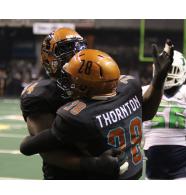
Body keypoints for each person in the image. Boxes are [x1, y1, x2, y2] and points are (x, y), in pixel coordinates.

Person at [20, 39, 174, 180]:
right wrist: (158, 81)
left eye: (72, 78)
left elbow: (28, 146)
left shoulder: (76, 115)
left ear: (85, 87)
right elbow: (146, 113)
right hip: (135, 169)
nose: (68, 81)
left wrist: (93, 164)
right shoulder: (129, 86)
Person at [20, 27, 127, 180]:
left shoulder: (96, 81)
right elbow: (48, 151)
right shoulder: (41, 96)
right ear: (49, 60)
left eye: (78, 49)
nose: (75, 55)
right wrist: (93, 164)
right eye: (65, 50)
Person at [142, 50, 186, 180]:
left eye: (172, 70)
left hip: (184, 157)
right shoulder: (144, 91)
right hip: (154, 156)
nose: (168, 74)